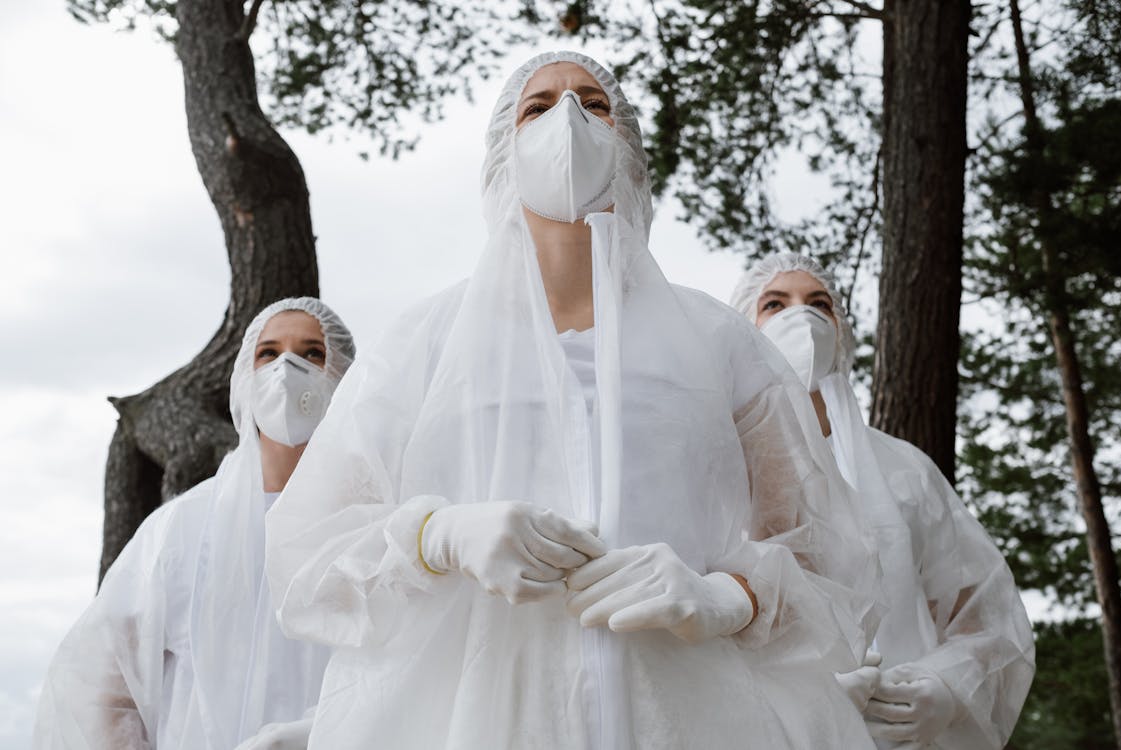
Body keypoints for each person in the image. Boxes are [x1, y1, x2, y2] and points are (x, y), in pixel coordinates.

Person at [266, 52, 881, 749]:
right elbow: (307, 553)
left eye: (594, 104)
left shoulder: (720, 343)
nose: (568, 119)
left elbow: (828, 557)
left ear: (627, 148)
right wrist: (435, 536)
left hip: (691, 718)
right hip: (475, 723)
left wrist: (727, 596)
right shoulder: (423, 345)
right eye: (538, 106)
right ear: (504, 148)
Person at [731, 254, 1035, 749]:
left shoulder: (905, 470)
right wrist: (801, 696)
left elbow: (986, 616)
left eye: (819, 303)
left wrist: (946, 687)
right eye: (775, 303)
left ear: (840, 330)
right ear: (742, 329)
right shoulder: (718, 461)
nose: (802, 317)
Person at [34, 298, 355, 750]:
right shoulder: (182, 531)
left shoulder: (367, 525)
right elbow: (98, 684)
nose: (287, 368)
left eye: (312, 354)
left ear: (344, 376)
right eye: (268, 353)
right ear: (245, 377)